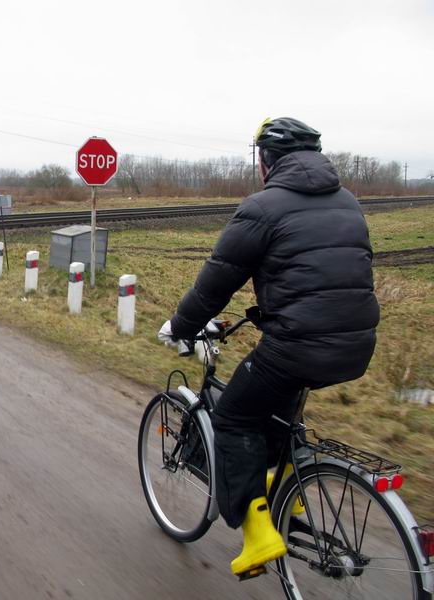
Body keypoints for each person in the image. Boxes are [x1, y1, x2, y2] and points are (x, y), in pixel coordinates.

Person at [158, 117, 380, 577]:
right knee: (278, 415)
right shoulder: (349, 202)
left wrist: (181, 326)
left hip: (298, 345)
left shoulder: (262, 207)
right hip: (357, 344)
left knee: (235, 417)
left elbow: (216, 280)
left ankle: (259, 538)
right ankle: (285, 490)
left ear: (266, 161)